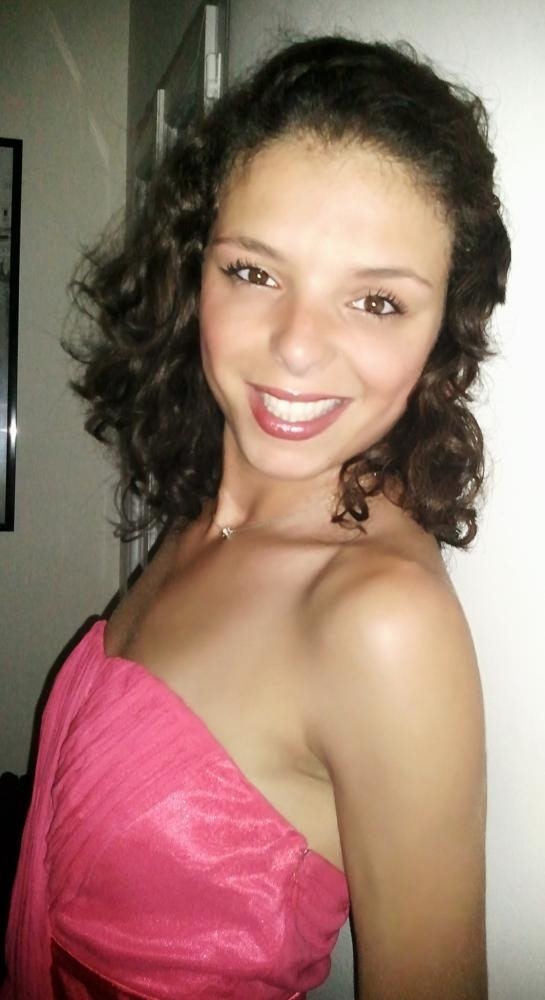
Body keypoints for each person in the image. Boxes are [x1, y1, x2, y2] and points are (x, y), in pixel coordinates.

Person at [2, 34, 510, 1000]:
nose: (296, 348)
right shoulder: (209, 513)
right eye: (254, 273)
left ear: (443, 329)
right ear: (196, 267)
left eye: (375, 300)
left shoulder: (381, 623)